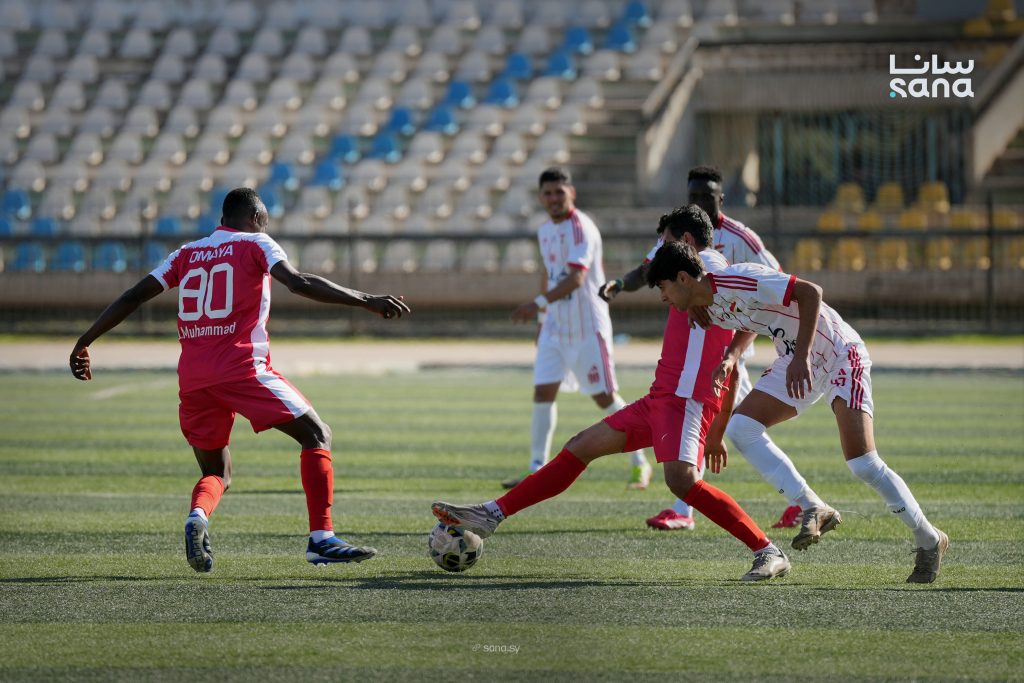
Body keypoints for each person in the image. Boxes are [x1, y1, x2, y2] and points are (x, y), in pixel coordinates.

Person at [433, 205, 791, 582]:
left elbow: (766, 298)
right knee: (580, 445)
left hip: (686, 400)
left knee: (682, 482)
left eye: (665, 242)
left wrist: (731, 352)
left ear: (686, 243)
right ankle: (492, 513)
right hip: (660, 399)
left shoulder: (713, 273)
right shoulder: (694, 281)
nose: (659, 251)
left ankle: (766, 549)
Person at [69, 188, 410, 573]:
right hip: (242, 368)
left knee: (216, 472)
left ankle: (198, 515)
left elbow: (134, 295)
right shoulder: (256, 243)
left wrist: (85, 341)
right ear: (257, 219)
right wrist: (365, 299)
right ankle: (322, 539)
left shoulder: (186, 253)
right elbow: (297, 283)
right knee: (316, 435)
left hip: (194, 379)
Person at [645, 240, 948, 583]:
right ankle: (813, 506)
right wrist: (730, 356)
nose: (662, 297)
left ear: (684, 278)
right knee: (742, 427)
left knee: (862, 463)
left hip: (837, 353)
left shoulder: (736, 280)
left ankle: (929, 538)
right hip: (795, 358)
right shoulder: (704, 298)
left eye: (664, 287)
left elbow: (810, 292)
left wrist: (802, 355)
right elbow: (747, 311)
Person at [601, 165, 799, 531]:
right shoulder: (678, 237)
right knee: (726, 429)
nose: (700, 201)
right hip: (707, 353)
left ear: (721, 198)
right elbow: (648, 270)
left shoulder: (741, 238)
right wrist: (618, 283)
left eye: (707, 195)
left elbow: (774, 280)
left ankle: (799, 502)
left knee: (735, 430)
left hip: (727, 352)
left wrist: (735, 341)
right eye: (694, 195)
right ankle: (687, 507)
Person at [504, 167, 651, 491]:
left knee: (603, 397)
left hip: (587, 326)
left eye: (560, 192)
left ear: (572, 193)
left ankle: (639, 462)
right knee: (543, 392)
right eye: (548, 193)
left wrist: (537, 304)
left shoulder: (582, 227)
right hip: (555, 327)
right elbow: (548, 272)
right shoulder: (544, 230)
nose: (554, 198)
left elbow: (576, 278)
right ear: (541, 198)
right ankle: (536, 468)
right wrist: (542, 321)